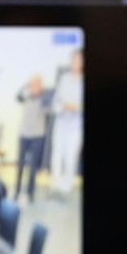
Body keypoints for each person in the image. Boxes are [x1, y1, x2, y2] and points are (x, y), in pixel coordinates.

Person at [48, 48, 83, 197]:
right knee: (57, 154)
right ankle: (55, 186)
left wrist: (74, 106)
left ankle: (66, 187)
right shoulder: (64, 78)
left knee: (70, 156)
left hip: (75, 125)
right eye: (73, 60)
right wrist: (62, 106)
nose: (75, 63)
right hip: (61, 122)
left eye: (78, 60)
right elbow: (56, 100)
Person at [14, 73, 49, 201]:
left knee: (33, 166)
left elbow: (50, 109)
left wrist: (42, 92)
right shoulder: (26, 95)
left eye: (36, 84)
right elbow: (17, 96)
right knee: (20, 164)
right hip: (24, 134)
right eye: (32, 84)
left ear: (40, 86)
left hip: (38, 136)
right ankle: (17, 190)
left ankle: (30, 192)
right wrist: (26, 85)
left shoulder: (45, 98)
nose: (34, 87)